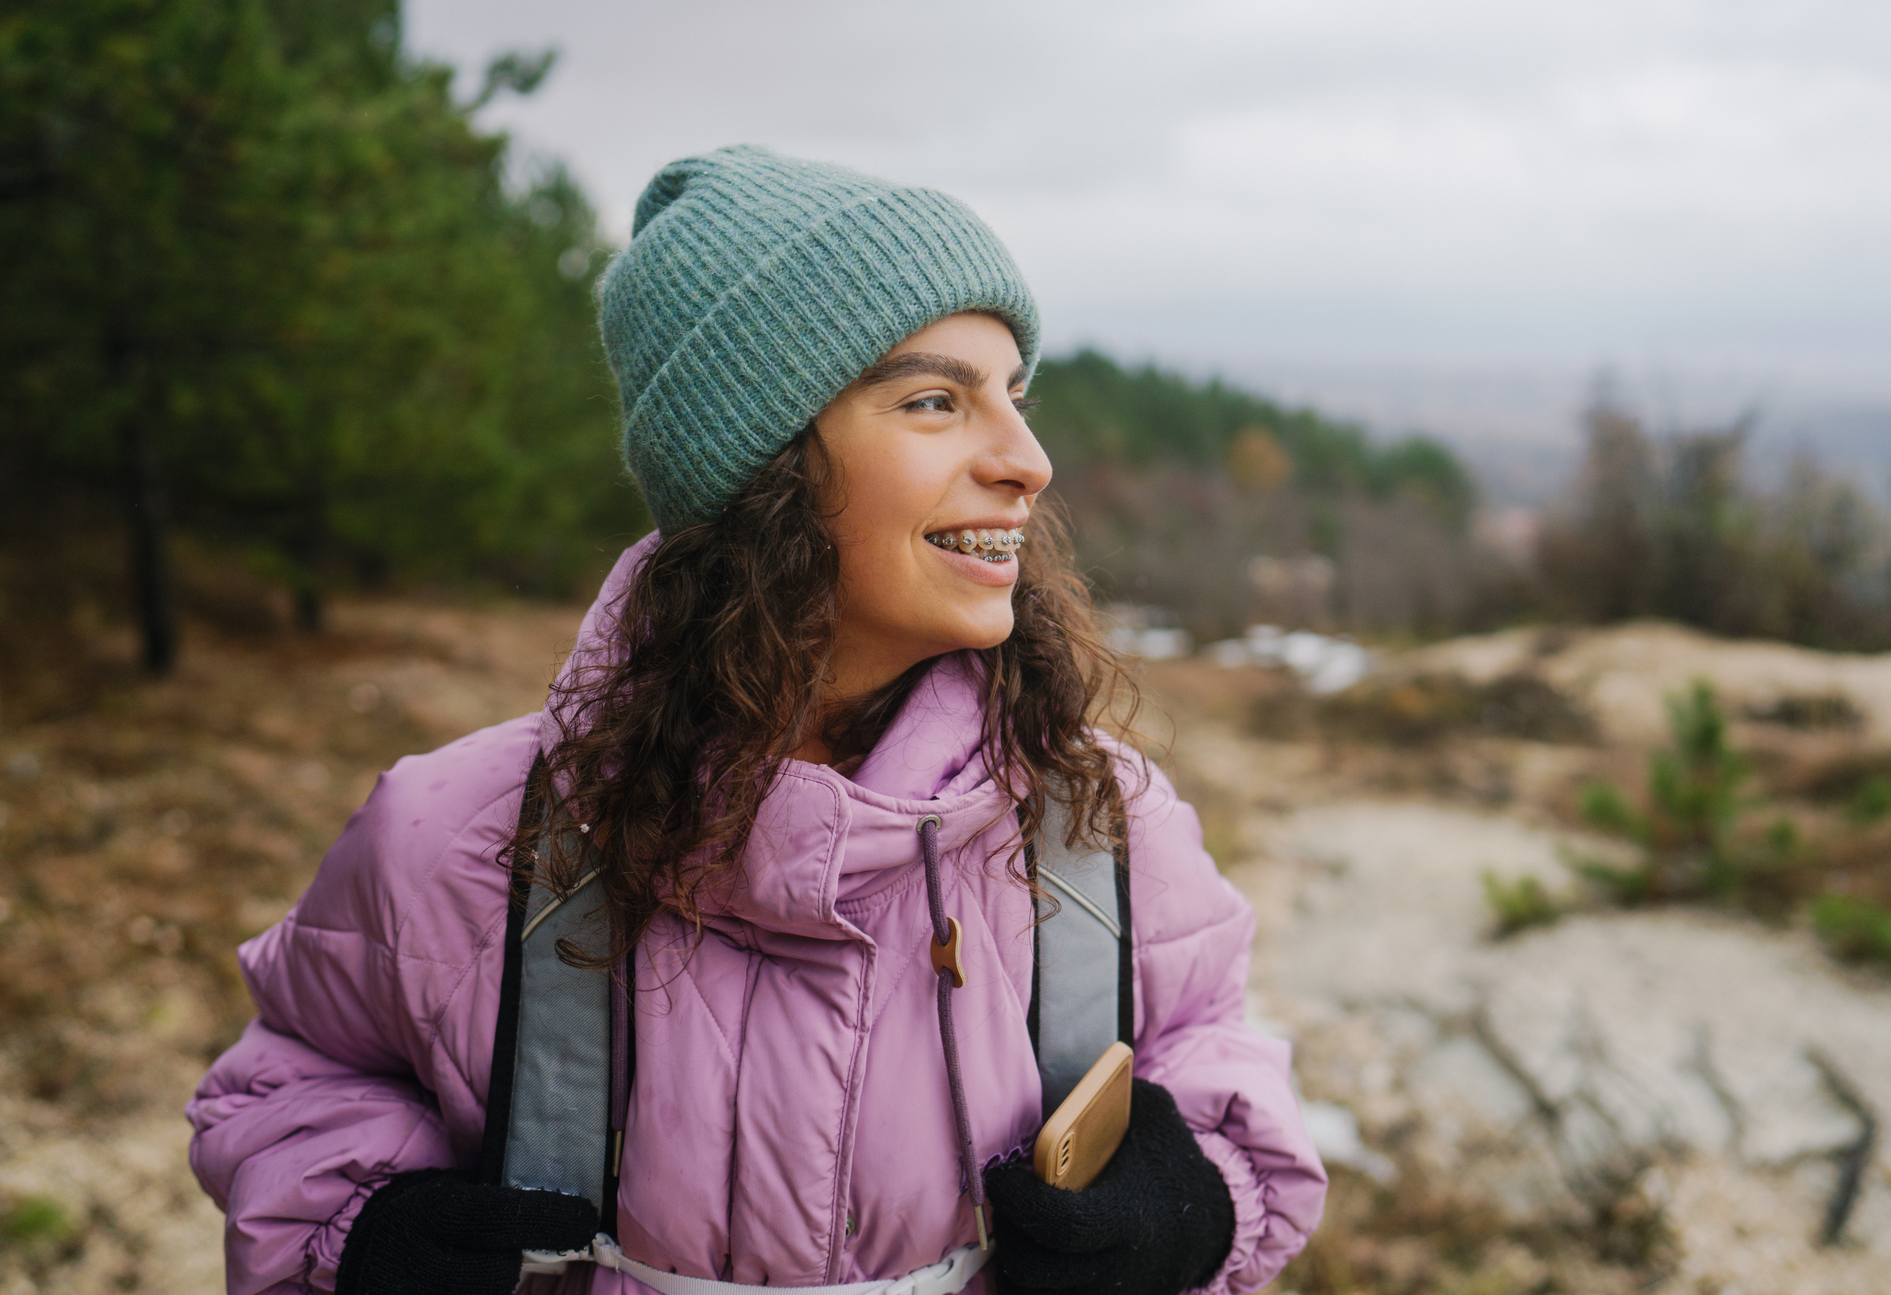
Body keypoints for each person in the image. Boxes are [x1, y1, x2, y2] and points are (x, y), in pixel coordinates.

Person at [187, 145, 1325, 1295]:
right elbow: (287, 1086)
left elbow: (1219, 1058)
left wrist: (1196, 1203)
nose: (1027, 461)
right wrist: (363, 1238)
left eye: (1015, 399)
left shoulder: (1099, 824)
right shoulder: (454, 836)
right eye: (936, 401)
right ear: (761, 466)